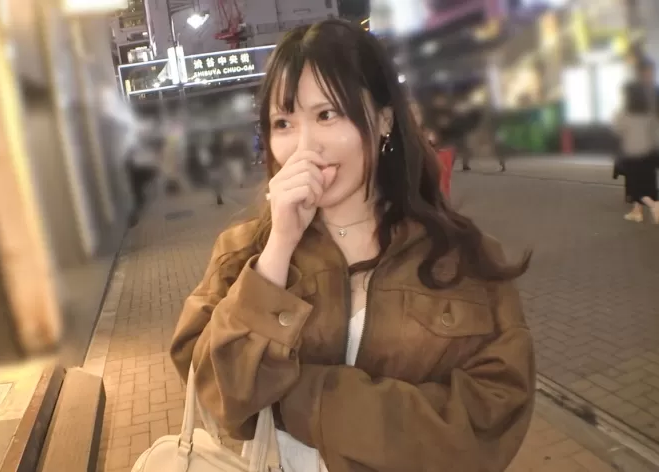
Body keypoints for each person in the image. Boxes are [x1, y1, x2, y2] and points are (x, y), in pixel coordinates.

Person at [170, 19, 535, 472]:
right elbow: (217, 392)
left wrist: (302, 400)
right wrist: (278, 249)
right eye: (284, 123)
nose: (305, 147)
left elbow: (489, 420)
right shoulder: (245, 253)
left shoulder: (464, 258)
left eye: (327, 115)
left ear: (384, 119)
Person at [614, 59, 659, 223]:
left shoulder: (627, 110)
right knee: (643, 180)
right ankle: (637, 210)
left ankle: (652, 205)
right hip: (649, 147)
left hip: (635, 151)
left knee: (637, 183)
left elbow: (618, 128)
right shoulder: (648, 102)